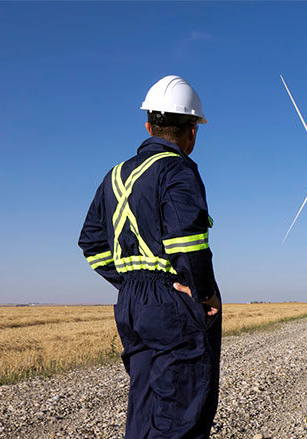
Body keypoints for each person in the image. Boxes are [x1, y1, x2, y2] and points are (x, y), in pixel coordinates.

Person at [78, 75, 222, 439]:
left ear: (148, 125)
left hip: (131, 304)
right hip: (171, 303)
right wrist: (202, 293)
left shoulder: (113, 176)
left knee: (145, 409)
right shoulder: (177, 170)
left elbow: (91, 243)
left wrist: (127, 279)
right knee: (180, 414)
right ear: (192, 130)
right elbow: (187, 243)